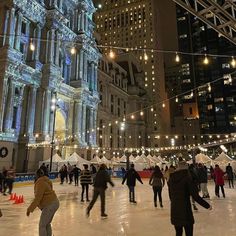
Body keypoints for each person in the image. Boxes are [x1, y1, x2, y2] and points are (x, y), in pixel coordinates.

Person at [169, 158, 211, 236]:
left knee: (178, 233)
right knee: (189, 233)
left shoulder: (172, 178)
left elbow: (171, 195)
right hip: (185, 211)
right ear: (186, 167)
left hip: (175, 209)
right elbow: (195, 196)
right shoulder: (188, 177)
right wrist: (207, 205)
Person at [27, 168, 59, 236]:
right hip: (55, 202)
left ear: (37, 175)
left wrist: (29, 209)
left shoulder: (40, 182)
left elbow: (38, 198)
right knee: (47, 224)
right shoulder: (46, 180)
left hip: (49, 204)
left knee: (42, 225)